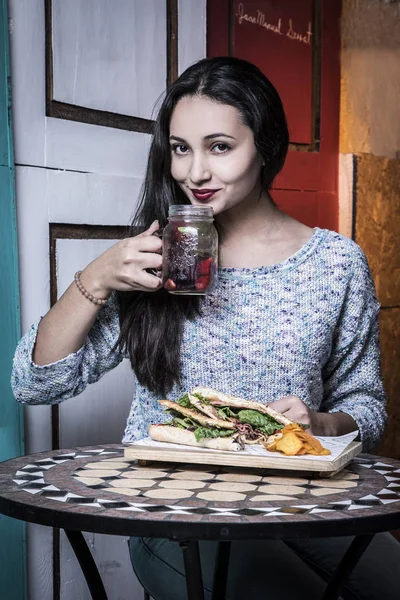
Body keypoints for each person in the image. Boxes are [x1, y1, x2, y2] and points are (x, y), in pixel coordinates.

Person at [11, 57, 399, 600]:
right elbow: (36, 384)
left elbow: (367, 408)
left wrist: (321, 421)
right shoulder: (159, 256)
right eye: (180, 148)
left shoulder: (335, 264)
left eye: (219, 147)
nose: (195, 173)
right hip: (172, 507)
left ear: (264, 146)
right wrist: (97, 277)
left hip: (300, 496)